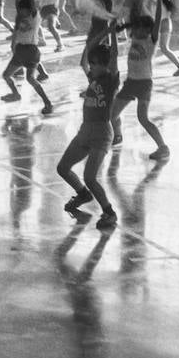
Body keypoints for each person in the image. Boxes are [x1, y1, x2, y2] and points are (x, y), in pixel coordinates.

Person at [59, 35, 120, 228]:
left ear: (105, 64)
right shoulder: (93, 78)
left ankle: (109, 212)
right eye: (91, 63)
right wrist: (99, 36)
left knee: (90, 176)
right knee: (63, 168)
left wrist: (112, 34)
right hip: (85, 130)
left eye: (95, 63)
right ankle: (83, 194)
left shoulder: (110, 80)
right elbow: (86, 59)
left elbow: (114, 56)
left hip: (101, 133)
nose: (91, 66)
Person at [109, 0, 171, 160]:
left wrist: (159, 0)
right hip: (130, 83)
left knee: (143, 118)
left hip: (144, 84)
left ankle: (163, 147)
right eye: (135, 28)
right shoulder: (134, 39)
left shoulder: (150, 41)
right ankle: (118, 135)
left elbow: (157, 20)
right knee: (112, 114)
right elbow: (130, 21)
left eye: (140, 28)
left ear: (148, 30)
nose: (135, 30)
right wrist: (114, 30)